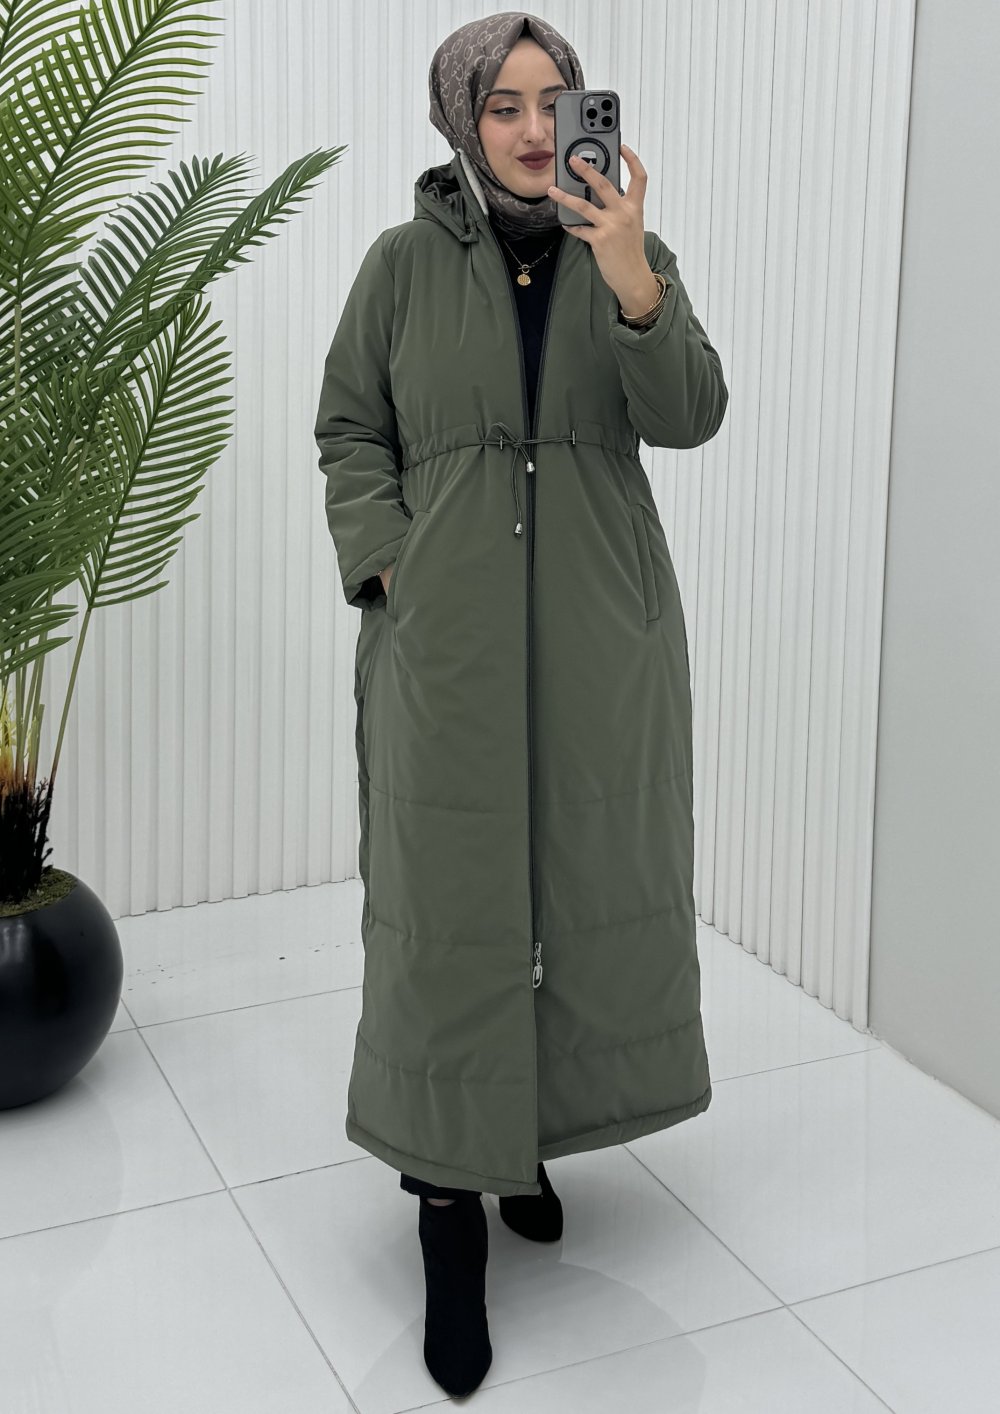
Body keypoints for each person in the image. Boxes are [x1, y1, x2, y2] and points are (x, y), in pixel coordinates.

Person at [313, 10, 728, 1398]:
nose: (538, 129)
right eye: (506, 104)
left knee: (575, 882)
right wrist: (389, 561)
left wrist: (635, 278)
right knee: (451, 904)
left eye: (557, 100)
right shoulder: (398, 266)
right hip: (447, 644)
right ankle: (450, 1200)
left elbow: (690, 413)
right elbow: (350, 425)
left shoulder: (627, 252)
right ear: (460, 118)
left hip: (603, 640)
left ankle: (526, 1140)